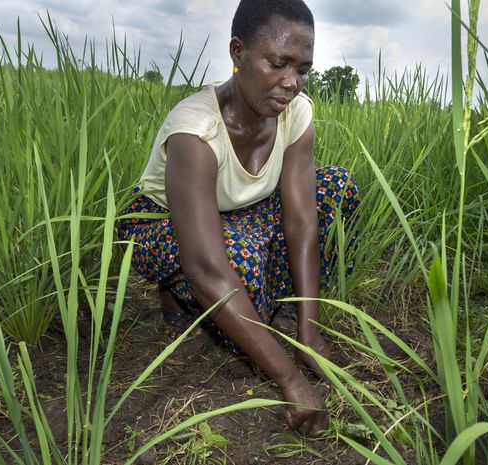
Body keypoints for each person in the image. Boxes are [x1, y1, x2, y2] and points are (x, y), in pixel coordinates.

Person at [117, 0, 359, 437]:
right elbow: (208, 268)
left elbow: (302, 218)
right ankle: (177, 294)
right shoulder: (196, 130)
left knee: (335, 186)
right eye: (278, 63)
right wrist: (291, 380)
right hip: (161, 222)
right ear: (238, 53)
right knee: (234, 266)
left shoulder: (296, 113)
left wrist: (310, 327)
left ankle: (277, 312)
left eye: (303, 69)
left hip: (237, 210)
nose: (291, 83)